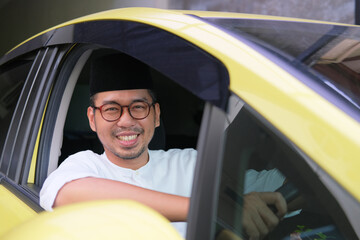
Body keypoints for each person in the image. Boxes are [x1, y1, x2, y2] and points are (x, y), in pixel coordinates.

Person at [40, 52, 287, 239]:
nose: (126, 121)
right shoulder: (84, 166)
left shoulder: (191, 163)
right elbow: (62, 193)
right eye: (111, 109)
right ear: (93, 119)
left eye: (138, 107)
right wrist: (216, 209)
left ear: (156, 115)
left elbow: (274, 185)